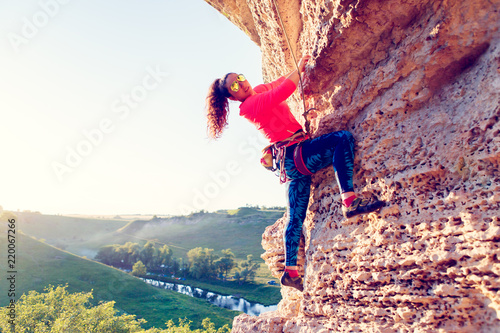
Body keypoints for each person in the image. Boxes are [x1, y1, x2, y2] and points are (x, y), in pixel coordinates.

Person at [205, 55, 384, 292]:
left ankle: (290, 272)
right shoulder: (248, 108)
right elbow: (280, 93)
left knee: (295, 216)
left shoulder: (257, 91)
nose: (242, 84)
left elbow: (279, 82)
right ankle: (349, 200)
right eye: (235, 86)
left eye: (240, 78)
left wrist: (296, 70)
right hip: (295, 154)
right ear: (231, 96)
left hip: (291, 160)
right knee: (342, 139)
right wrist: (299, 69)